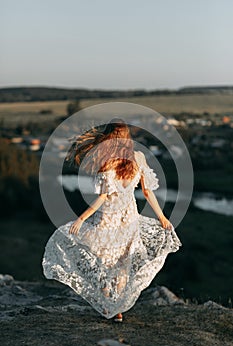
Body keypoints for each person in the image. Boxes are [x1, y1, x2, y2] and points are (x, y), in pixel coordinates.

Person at [42, 119, 182, 322]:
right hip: (128, 218)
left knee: (106, 262)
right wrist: (162, 217)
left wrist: (81, 219)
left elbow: (103, 198)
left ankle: (112, 306)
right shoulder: (138, 157)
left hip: (109, 217)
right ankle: (117, 310)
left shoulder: (107, 161)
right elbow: (147, 191)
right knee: (122, 263)